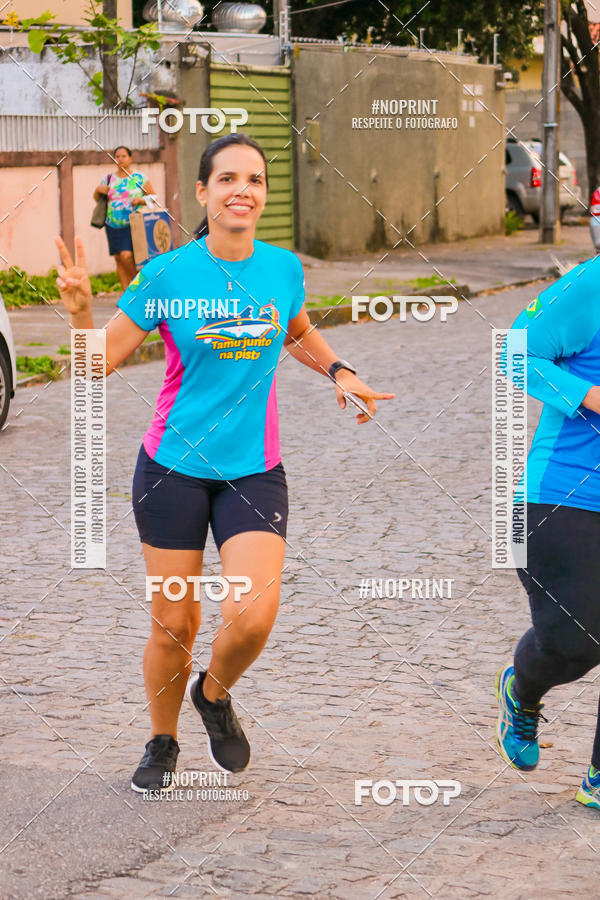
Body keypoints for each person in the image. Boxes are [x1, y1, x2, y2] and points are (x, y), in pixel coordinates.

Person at [55, 132, 395, 793]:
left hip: (252, 471)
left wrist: (338, 367)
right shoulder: (166, 277)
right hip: (171, 470)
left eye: (256, 180)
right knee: (175, 620)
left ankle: (212, 693)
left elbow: (292, 329)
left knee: (253, 615)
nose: (244, 189)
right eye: (229, 178)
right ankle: (162, 739)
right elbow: (95, 365)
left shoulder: (281, 268)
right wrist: (78, 315)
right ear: (203, 193)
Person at [495, 262, 600, 809]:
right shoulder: (593, 285)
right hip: (557, 498)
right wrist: (591, 395)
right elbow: (513, 352)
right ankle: (522, 689)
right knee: (577, 644)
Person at [93, 146, 156, 290]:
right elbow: (98, 199)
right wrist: (97, 190)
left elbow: (154, 198)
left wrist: (140, 201)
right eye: (117, 156)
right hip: (112, 224)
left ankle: (136, 287)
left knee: (127, 256)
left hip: (133, 224)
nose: (120, 159)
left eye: (123, 156)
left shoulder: (139, 178)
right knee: (118, 259)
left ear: (130, 158)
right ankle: (125, 293)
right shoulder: (108, 179)